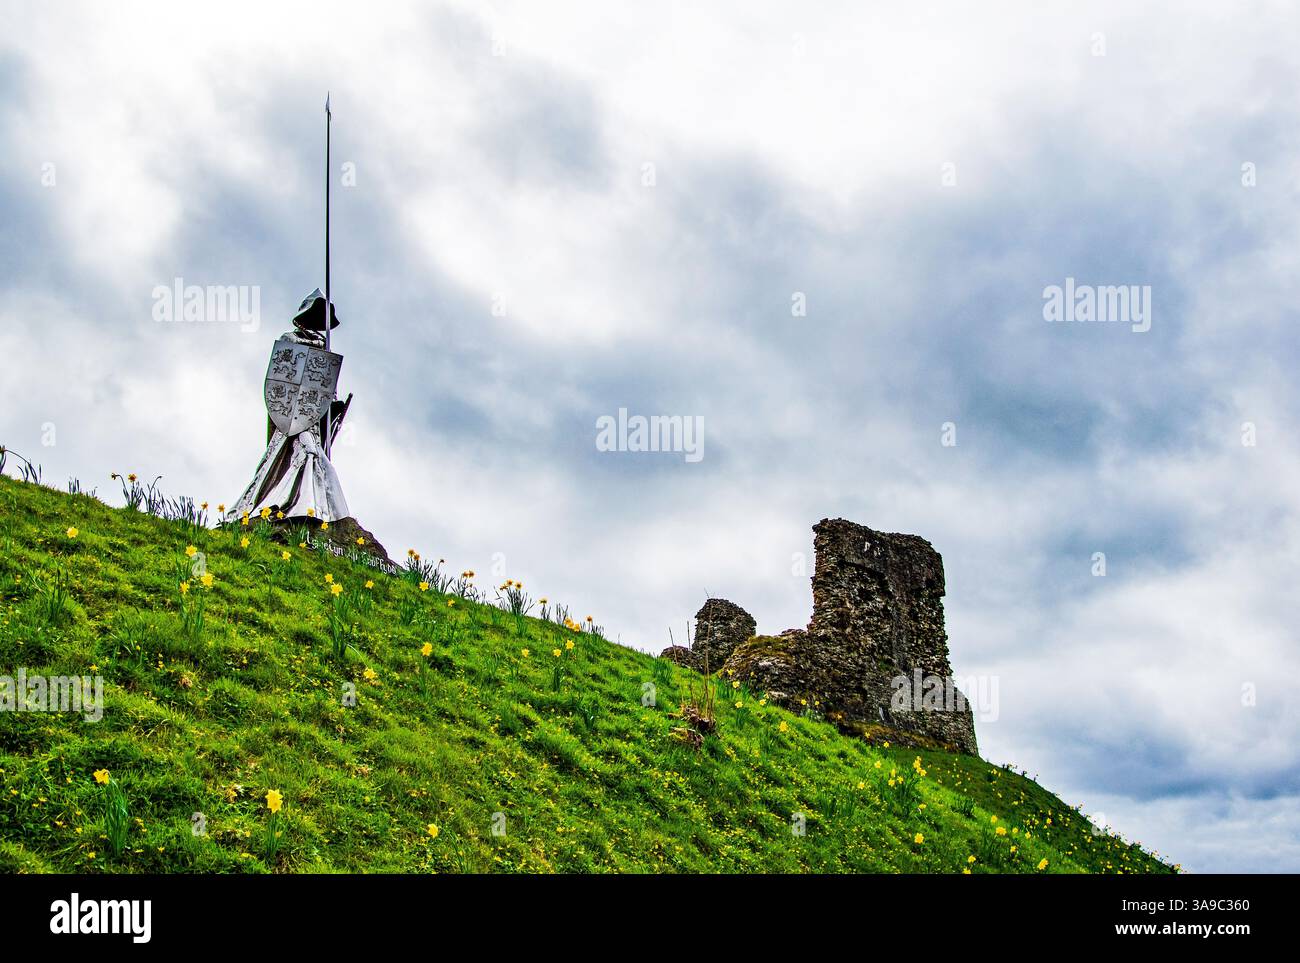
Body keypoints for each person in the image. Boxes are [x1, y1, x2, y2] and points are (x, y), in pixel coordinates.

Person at [223, 289, 351, 524]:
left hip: (311, 420)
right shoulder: (290, 341)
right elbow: (282, 383)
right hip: (292, 418)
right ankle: (279, 502)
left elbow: (324, 391)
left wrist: (334, 408)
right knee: (295, 456)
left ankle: (312, 506)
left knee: (312, 456)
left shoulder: (324, 348)